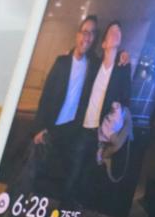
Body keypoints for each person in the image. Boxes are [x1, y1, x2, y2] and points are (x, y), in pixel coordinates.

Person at [16, 16, 98, 198]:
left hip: (70, 130)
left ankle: (41, 211)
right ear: (78, 35)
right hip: (49, 126)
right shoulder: (61, 62)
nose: (88, 37)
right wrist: (39, 128)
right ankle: (11, 205)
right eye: (85, 31)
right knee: (29, 170)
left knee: (51, 177)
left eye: (93, 33)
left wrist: (123, 58)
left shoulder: (93, 66)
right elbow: (45, 97)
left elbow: (111, 65)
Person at [68, 21, 132, 210]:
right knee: (74, 170)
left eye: (119, 31)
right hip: (84, 127)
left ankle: (77, 212)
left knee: (91, 174)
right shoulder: (94, 64)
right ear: (103, 43)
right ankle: (64, 206)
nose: (116, 33)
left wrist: (126, 59)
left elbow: (127, 97)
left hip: (102, 132)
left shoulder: (122, 68)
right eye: (112, 31)